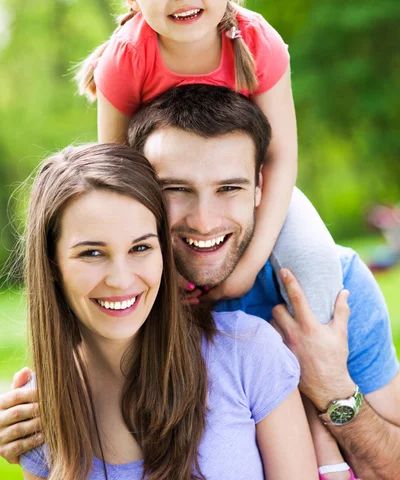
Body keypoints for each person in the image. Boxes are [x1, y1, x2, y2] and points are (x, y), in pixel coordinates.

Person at [1, 86, 398, 477]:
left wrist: (333, 391)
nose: (204, 221)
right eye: (175, 189)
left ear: (260, 188)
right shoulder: (117, 297)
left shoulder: (330, 289)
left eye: (229, 188)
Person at [75, 0, 342, 324]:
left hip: (245, 189)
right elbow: (119, 174)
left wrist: (249, 266)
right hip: (165, 200)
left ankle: (319, 364)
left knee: (314, 256)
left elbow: (280, 158)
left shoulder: (259, 44)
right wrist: (156, 251)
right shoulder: (125, 60)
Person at [14, 142, 318, 480]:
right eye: (92, 253)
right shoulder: (39, 411)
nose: (121, 279)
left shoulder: (245, 353)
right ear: (52, 264)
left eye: (141, 247)